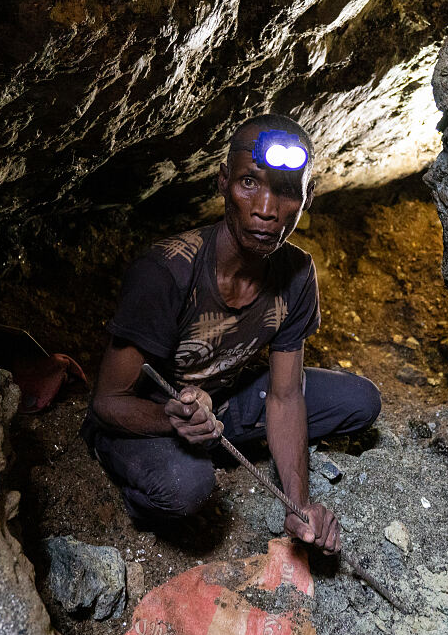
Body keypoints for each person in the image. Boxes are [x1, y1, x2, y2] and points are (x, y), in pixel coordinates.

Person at [82, 113, 381, 555]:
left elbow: (284, 395)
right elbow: (106, 402)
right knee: (186, 489)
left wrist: (298, 506)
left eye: (285, 191)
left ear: (307, 198)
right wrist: (174, 420)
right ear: (222, 182)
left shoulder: (296, 274)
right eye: (249, 183)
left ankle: (209, 444)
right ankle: (152, 471)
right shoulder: (168, 271)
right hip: (146, 416)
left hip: (221, 407)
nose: (266, 208)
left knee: (361, 401)